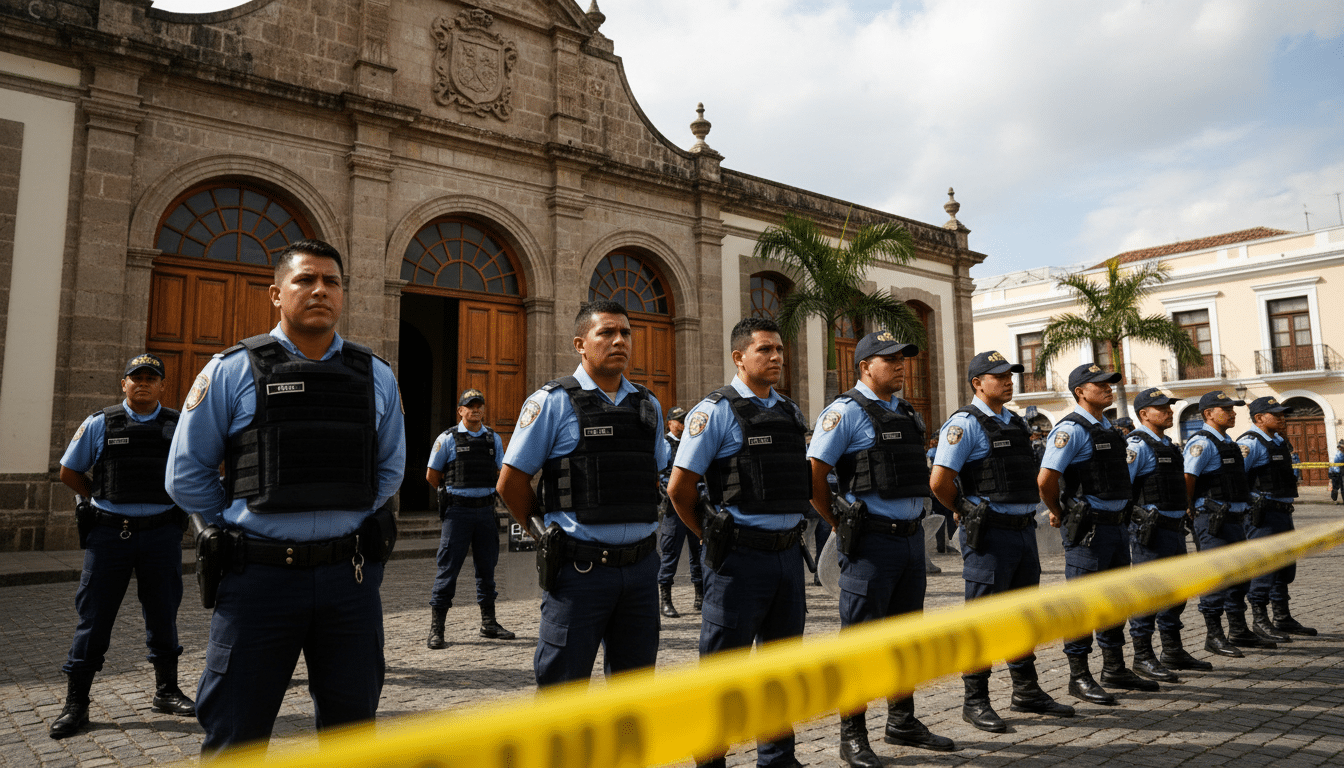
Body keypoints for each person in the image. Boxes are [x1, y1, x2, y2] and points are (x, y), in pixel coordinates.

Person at [166, 239, 406, 755]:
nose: (320, 290)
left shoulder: (377, 375)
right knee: (237, 737)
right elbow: (186, 474)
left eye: (331, 282)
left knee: (353, 737)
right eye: (305, 280)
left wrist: (343, 514)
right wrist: (240, 522)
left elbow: (390, 470)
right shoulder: (231, 370)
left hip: (349, 581)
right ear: (276, 293)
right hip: (259, 581)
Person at [496, 300, 667, 687]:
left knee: (636, 692)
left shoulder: (648, 405)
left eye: (625, 333)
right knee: (563, 692)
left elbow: (654, 471)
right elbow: (511, 482)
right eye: (606, 332)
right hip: (580, 573)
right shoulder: (552, 402)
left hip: (640, 572)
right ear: (580, 344)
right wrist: (545, 536)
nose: (619, 340)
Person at [807, 330, 956, 766]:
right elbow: (815, 478)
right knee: (861, 641)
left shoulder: (906, 412)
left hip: (910, 541)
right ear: (865, 367)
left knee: (905, 637)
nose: (899, 366)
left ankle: (902, 721)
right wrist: (840, 523)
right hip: (870, 544)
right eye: (889, 359)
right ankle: (852, 734)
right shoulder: (845, 413)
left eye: (902, 359)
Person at [667, 317, 810, 768]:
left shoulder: (790, 411)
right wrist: (713, 538)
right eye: (765, 349)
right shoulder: (715, 412)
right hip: (738, 561)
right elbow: (680, 489)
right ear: (739, 357)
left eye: (779, 349)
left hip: (787, 557)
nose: (776, 357)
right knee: (723, 670)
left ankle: (778, 758)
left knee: (780, 667)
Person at [48, 353, 195, 739]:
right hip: (110, 536)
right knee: (94, 618)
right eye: (136, 377)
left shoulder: (179, 425)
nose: (143, 383)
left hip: (161, 535)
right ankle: (76, 703)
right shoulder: (100, 423)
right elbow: (69, 471)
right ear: (124, 383)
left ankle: (167, 691)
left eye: (151, 378)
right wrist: (98, 496)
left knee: (163, 613)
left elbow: (197, 469)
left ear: (162, 385)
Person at [929, 351, 1074, 734]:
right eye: (999, 376)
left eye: (1011, 375)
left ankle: (1026, 690)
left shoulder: (1014, 421)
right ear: (978, 383)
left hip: (1022, 532)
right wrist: (963, 508)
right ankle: (975, 700)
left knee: (1023, 613)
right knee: (983, 619)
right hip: (990, 534)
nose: (1009, 381)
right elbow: (940, 481)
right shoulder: (965, 423)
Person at [1038, 364, 1158, 706]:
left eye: (1109, 383)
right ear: (1080, 392)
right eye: (1099, 384)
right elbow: (1046, 480)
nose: (1107, 388)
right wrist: (1060, 510)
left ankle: (1114, 668)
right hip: (1089, 530)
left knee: (1115, 599)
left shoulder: (1109, 428)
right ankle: (1079, 676)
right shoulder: (1071, 430)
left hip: (1117, 528)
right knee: (1081, 604)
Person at [1182, 390, 1274, 658]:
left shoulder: (1228, 442)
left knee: (1238, 576)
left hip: (1235, 519)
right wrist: (1190, 508)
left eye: (1233, 409)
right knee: (1215, 578)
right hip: (1213, 520)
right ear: (1208, 414)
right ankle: (1214, 636)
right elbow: (1188, 478)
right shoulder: (1202, 442)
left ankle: (1239, 630)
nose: (1232, 413)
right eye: (1226, 409)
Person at [1124, 388, 1208, 679]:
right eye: (1161, 408)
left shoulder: (1168, 445)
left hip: (1173, 530)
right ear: (1144, 414)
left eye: (1169, 407)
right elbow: (1124, 489)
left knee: (1176, 593)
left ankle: (1172, 650)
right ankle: (1142, 656)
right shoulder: (1137, 445)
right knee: (1148, 595)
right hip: (1150, 532)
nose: (1169, 412)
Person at [425, 388, 513, 650]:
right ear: (460, 411)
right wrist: (453, 495)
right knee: (448, 570)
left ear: (483, 409)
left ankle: (489, 624)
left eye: (479, 405)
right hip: (458, 514)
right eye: (470, 406)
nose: (475, 410)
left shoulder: (493, 439)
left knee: (487, 569)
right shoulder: (447, 439)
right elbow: (432, 475)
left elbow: (501, 471)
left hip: (486, 512)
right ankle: (437, 629)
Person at [1239, 396, 1317, 638]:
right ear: (1259, 418)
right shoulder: (1250, 443)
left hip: (1282, 512)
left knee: (1284, 567)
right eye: (1276, 414)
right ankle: (1260, 620)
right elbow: (1237, 479)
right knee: (1264, 567)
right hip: (1262, 515)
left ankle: (1282, 617)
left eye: (1283, 414)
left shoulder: (1278, 441)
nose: (1283, 418)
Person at [656, 406, 704, 618]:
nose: (683, 424)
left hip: (694, 505)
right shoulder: (665, 444)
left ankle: (700, 596)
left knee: (698, 552)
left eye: (685, 420)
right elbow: (661, 474)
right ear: (670, 423)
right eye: (680, 421)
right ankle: (666, 600)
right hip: (674, 508)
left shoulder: (691, 441)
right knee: (670, 553)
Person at [1330, 440, 1343, 505]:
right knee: (1335, 487)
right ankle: (1334, 500)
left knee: (1341, 487)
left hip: (1339, 472)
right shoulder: (1338, 454)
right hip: (1335, 472)